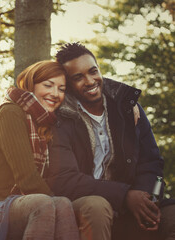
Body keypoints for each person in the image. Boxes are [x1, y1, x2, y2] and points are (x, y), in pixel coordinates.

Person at [45, 42, 175, 240]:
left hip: (129, 209)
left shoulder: (129, 109)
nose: (89, 81)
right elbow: (64, 179)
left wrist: (149, 197)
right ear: (68, 84)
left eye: (93, 71)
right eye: (78, 77)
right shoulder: (61, 119)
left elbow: (153, 163)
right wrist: (125, 196)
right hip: (85, 208)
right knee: (98, 206)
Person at [0, 60, 80, 240]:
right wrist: (53, 202)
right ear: (30, 85)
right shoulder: (10, 113)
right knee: (44, 203)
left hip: (10, 204)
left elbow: (90, 88)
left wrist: (132, 105)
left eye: (62, 89)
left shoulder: (42, 123)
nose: (55, 93)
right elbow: (27, 179)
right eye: (48, 85)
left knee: (64, 204)